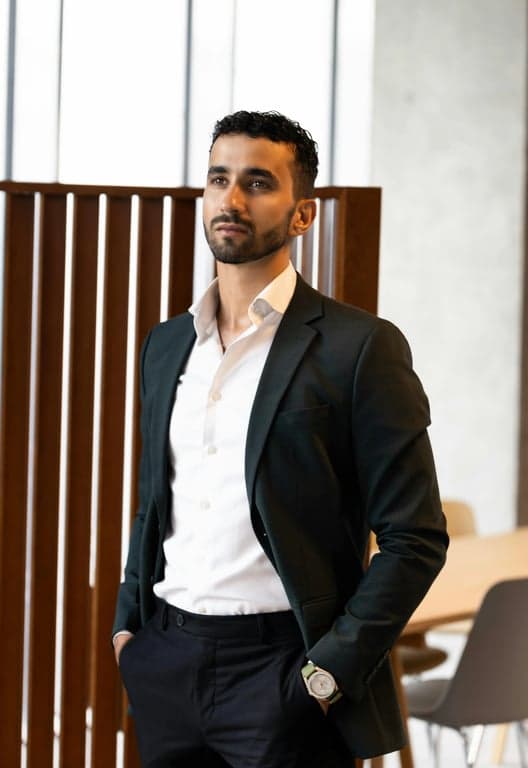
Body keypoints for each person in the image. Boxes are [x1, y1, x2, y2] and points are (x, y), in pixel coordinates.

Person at [112, 110, 448, 767]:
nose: (232, 199)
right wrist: (130, 632)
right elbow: (155, 503)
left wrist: (325, 676)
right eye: (219, 179)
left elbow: (416, 537)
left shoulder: (359, 348)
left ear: (303, 214)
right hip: (166, 665)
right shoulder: (167, 345)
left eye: (259, 183)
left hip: (283, 673)